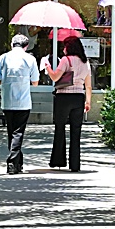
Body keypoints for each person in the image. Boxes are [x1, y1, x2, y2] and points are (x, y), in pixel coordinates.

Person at [45, 36, 93, 171]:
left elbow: (55, 77)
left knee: (60, 128)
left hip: (63, 98)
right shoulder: (85, 62)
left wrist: (48, 67)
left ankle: (58, 161)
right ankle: (75, 165)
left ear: (69, 47)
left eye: (65, 46)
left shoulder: (66, 60)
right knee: (76, 131)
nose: (64, 49)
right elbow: (88, 85)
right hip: (79, 97)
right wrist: (88, 102)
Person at [0, 34, 39, 174]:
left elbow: (0, 78)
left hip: (7, 100)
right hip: (23, 101)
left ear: (12, 44)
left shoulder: (3, 58)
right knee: (18, 132)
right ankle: (13, 163)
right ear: (26, 46)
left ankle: (18, 163)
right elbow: (35, 82)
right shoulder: (30, 59)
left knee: (11, 132)